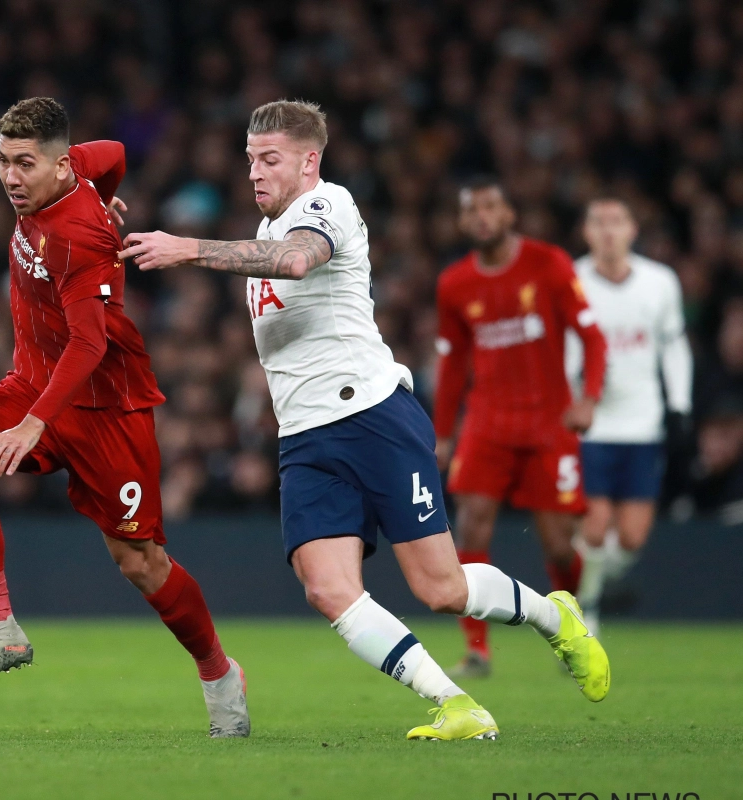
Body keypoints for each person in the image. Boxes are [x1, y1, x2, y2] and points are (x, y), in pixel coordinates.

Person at [119, 99, 609, 741]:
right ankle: (455, 703)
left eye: (270, 160)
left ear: (309, 161)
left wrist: (189, 249)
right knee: (325, 588)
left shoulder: (330, 206)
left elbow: (298, 261)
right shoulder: (262, 234)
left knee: (440, 587)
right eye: (250, 162)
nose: (256, 174)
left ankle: (556, 619)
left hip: (371, 417)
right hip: (304, 437)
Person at [0, 97, 249, 738]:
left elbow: (90, 345)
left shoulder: (75, 236)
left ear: (53, 166)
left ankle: (218, 672)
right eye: (3, 162)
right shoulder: (74, 166)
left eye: (24, 164)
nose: (11, 178)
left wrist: (32, 424)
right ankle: (2, 629)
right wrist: (105, 190)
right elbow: (118, 155)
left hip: (106, 407)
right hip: (35, 378)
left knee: (140, 564)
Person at [433, 178, 609, 679]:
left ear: (509, 213)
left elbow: (593, 338)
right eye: (472, 209)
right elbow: (451, 365)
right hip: (487, 422)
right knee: (471, 523)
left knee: (557, 544)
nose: (482, 217)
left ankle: (572, 627)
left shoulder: (548, 264)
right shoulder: (454, 284)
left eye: (491, 206)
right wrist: (442, 434)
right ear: (463, 222)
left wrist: (589, 397)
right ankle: (476, 650)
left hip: (547, 422)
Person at [566, 198, 692, 635]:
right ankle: (589, 616)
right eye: (598, 222)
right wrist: (568, 397)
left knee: (633, 537)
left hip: (643, 421)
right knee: (596, 526)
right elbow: (562, 348)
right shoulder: (573, 280)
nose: (607, 231)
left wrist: (679, 405)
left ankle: (593, 587)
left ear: (632, 230)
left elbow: (674, 346)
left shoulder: (659, 283)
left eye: (616, 222)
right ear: (586, 232)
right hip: (592, 423)